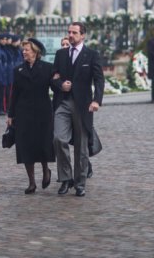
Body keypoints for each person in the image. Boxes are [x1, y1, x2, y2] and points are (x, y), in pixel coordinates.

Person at [52, 22, 104, 197]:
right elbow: (53, 78)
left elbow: (99, 79)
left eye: (74, 32)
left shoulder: (91, 55)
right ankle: (66, 178)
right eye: (69, 32)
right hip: (63, 103)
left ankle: (80, 183)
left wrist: (97, 100)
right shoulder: (60, 54)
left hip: (83, 106)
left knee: (81, 147)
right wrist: (60, 84)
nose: (70, 35)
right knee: (59, 138)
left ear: (83, 35)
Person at [6, 38, 55, 194]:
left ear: (35, 52)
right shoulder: (18, 70)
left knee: (42, 144)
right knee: (25, 146)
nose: (24, 52)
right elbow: (15, 94)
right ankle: (31, 182)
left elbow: (55, 86)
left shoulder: (48, 68)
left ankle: (46, 170)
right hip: (24, 112)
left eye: (27, 49)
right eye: (23, 50)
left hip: (42, 111)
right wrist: (11, 114)